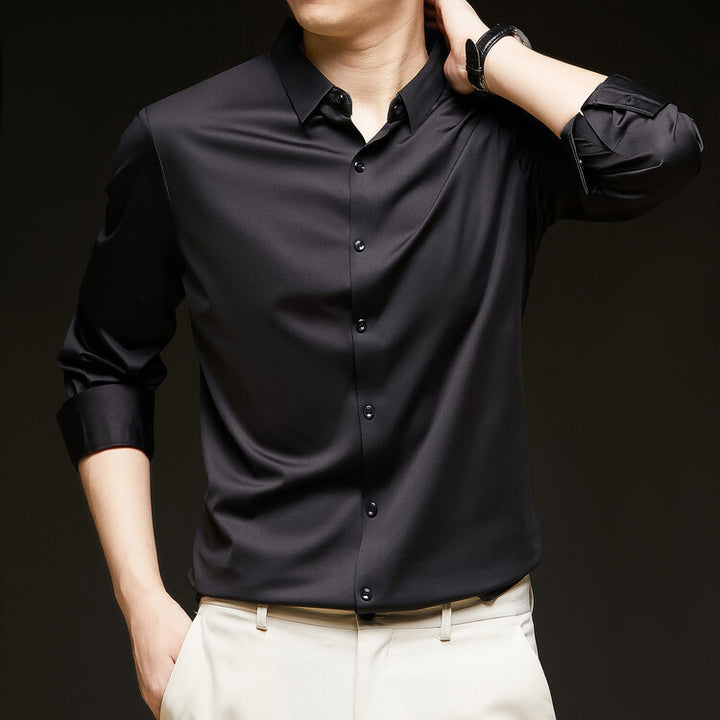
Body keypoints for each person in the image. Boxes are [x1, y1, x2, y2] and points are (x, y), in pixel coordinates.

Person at [54, 0, 703, 718]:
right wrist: (141, 599)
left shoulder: (507, 132)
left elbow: (661, 147)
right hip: (253, 661)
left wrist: (491, 53)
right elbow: (104, 364)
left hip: (472, 663)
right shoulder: (183, 138)